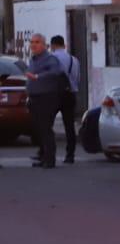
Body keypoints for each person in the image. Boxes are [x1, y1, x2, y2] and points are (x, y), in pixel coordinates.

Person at [23, 34, 65, 169]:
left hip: (46, 98)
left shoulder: (50, 59)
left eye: (37, 42)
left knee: (46, 128)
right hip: (34, 98)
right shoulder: (33, 60)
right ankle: (43, 156)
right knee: (38, 129)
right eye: (32, 42)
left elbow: (55, 72)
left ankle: (50, 159)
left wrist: (37, 76)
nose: (33, 45)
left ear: (44, 44)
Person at [50, 35, 79, 164]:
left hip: (54, 95)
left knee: (46, 124)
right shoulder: (74, 60)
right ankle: (70, 155)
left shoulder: (51, 59)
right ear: (64, 45)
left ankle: (47, 153)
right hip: (70, 95)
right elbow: (77, 79)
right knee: (69, 126)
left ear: (53, 45)